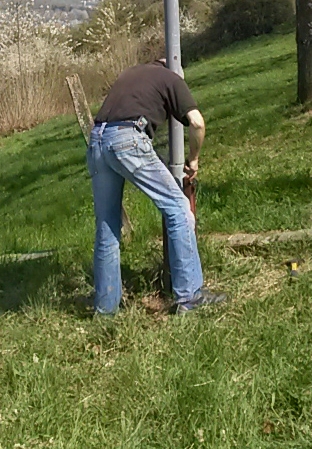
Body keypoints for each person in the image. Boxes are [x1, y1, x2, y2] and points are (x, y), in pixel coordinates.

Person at [87, 57, 227, 316]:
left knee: (107, 225)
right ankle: (190, 296)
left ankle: (105, 309)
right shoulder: (171, 77)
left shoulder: (132, 73)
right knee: (179, 209)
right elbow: (197, 123)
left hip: (97, 140)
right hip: (127, 139)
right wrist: (194, 159)